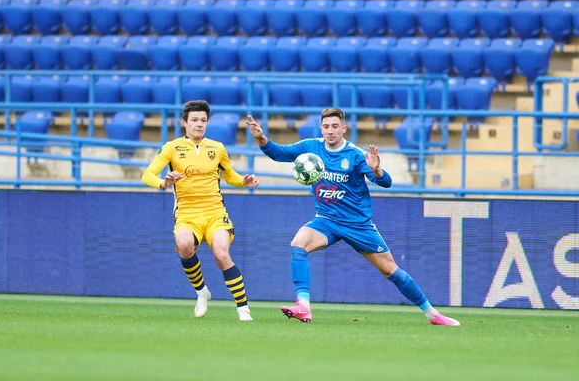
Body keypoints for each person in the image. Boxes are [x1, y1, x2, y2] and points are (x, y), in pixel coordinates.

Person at [246, 108, 460, 326]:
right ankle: (303, 306)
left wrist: (377, 171)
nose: (330, 131)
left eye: (335, 126)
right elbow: (278, 153)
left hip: (357, 225)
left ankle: (432, 314)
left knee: (390, 270)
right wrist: (261, 138)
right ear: (321, 128)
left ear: (344, 128)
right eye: (326, 127)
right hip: (326, 220)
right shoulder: (311, 148)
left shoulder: (355, 155)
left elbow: (386, 183)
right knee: (298, 244)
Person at [143, 100, 260, 321]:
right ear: (184, 122)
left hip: (215, 212)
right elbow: (147, 175)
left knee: (221, 253)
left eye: (203, 120)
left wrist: (244, 181)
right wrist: (163, 182)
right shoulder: (171, 147)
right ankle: (201, 291)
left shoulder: (217, 148)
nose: (199, 124)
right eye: (194, 120)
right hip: (187, 214)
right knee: (185, 246)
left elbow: (230, 176)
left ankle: (243, 308)